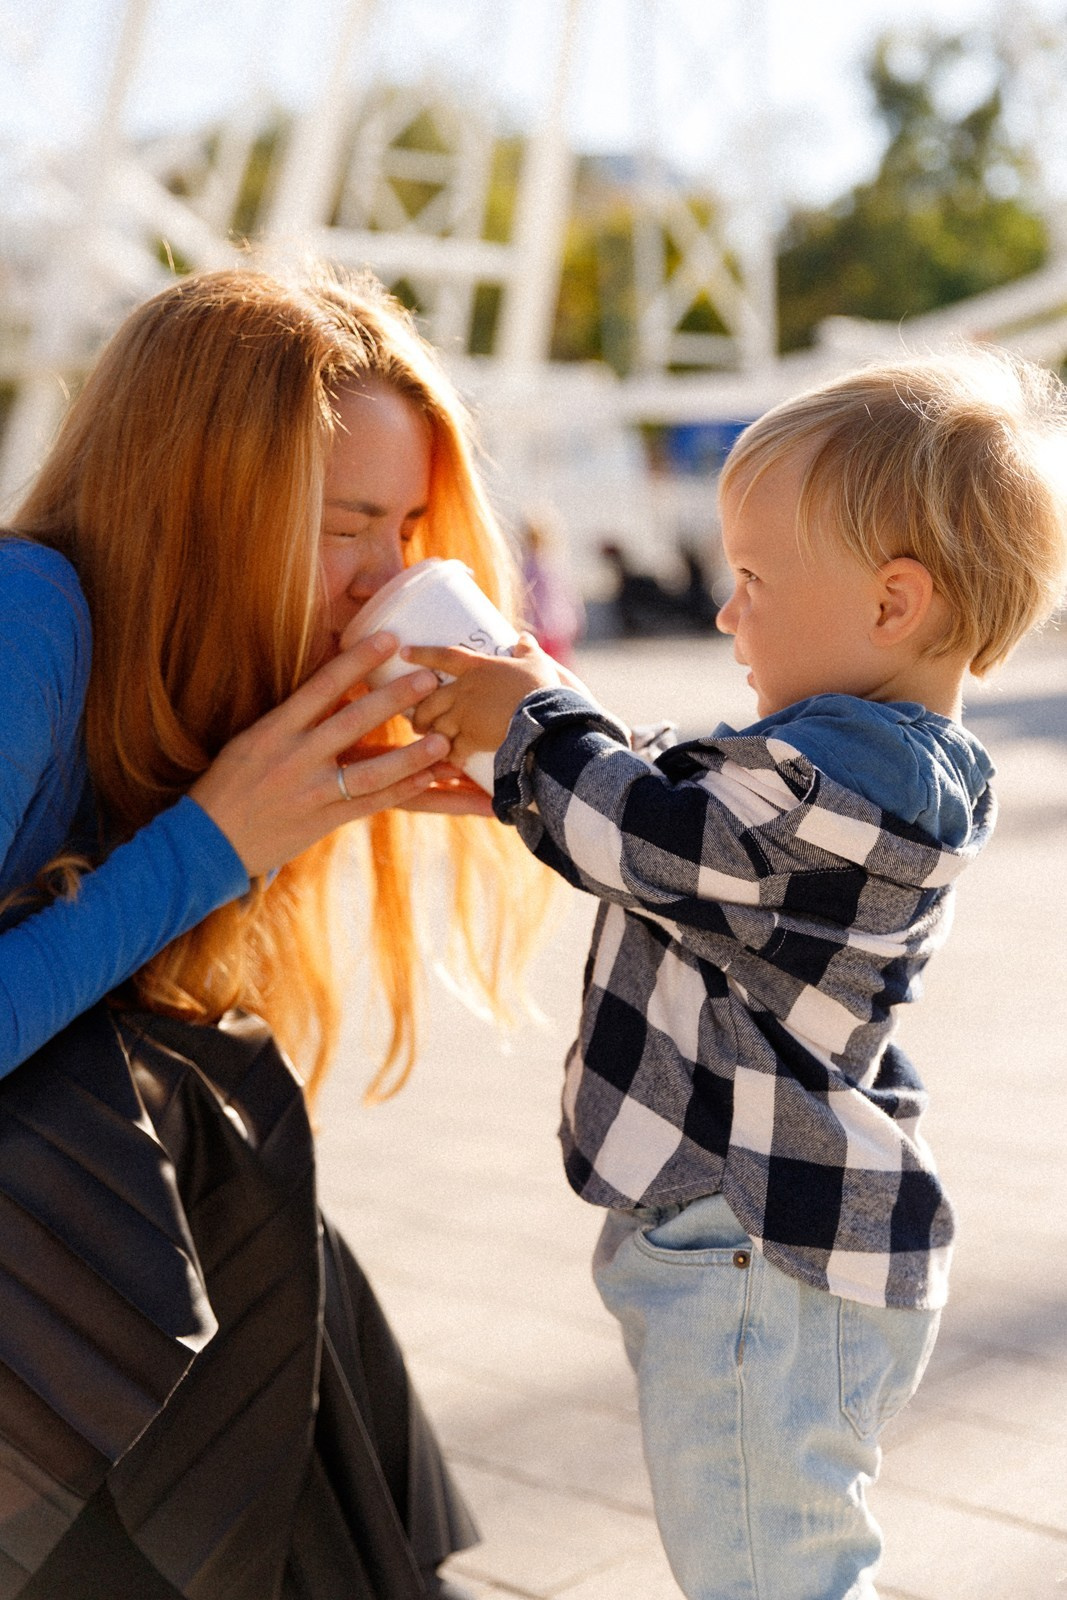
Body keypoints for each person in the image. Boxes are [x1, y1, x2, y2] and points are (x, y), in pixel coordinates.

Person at [403, 347, 1067, 1598]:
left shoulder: (859, 786)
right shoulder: (842, 762)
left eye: (753, 579)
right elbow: (673, 804)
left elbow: (668, 832)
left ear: (892, 606)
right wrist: (526, 765)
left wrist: (533, 736)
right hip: (752, 1246)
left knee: (775, 1580)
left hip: (762, 1252)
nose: (725, 612)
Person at [0, 262, 541, 1598]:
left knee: (250, 1187)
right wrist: (213, 843)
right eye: (345, 524)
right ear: (194, 502)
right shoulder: (29, 617)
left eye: (405, 531)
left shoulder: (182, 684)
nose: (383, 583)